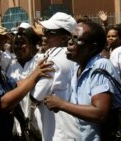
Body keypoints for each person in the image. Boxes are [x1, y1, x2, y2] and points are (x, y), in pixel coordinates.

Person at [44, 21, 121, 141]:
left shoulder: (100, 67)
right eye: (71, 37)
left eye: (77, 39)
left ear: (93, 47)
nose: (70, 42)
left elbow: (100, 113)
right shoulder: (79, 67)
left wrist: (61, 104)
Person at [31, 12, 82, 141]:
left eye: (50, 33)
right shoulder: (77, 56)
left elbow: (36, 96)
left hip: (59, 133)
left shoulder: (52, 60)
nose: (44, 36)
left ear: (65, 38)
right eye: (45, 31)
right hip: (75, 130)